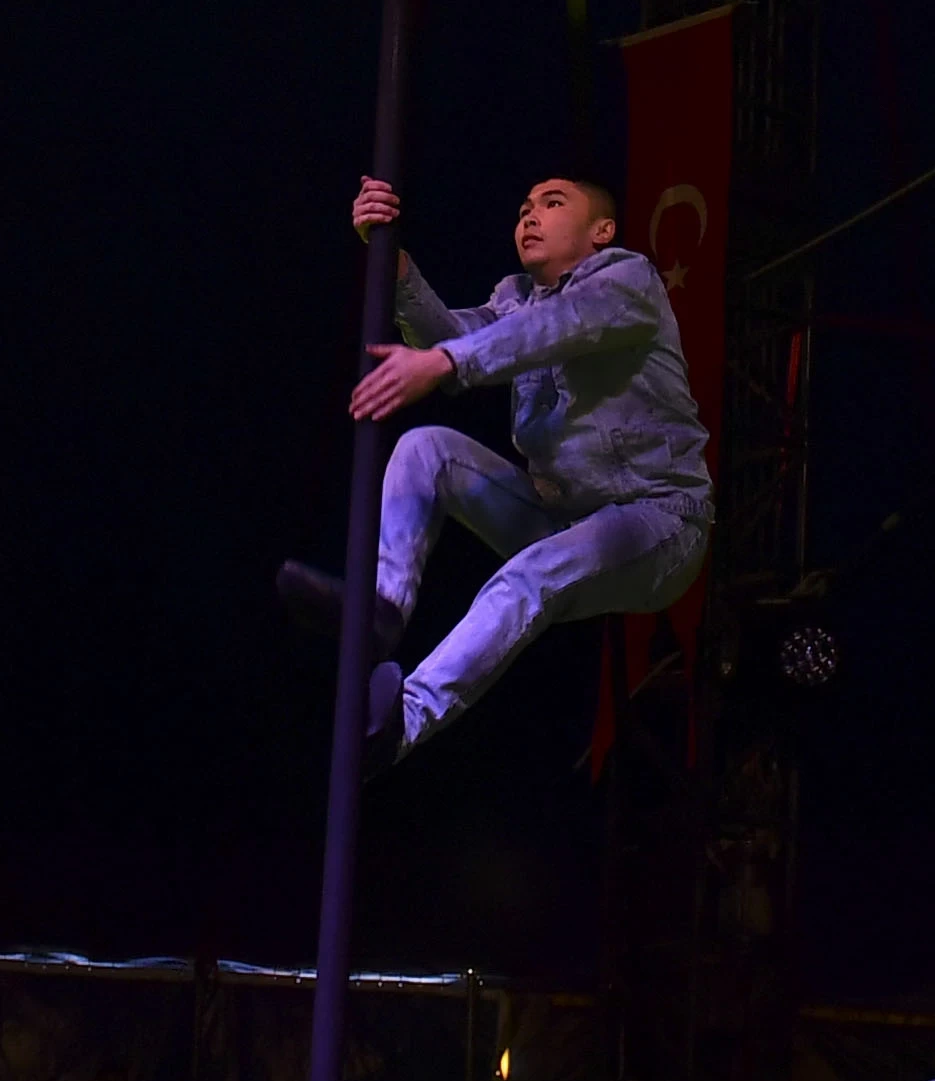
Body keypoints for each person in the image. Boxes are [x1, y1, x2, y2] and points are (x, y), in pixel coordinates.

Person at [281, 171, 714, 760]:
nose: (529, 216)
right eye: (524, 207)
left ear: (601, 231)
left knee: (530, 576)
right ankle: (383, 609)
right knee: (426, 447)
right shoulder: (516, 297)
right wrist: (393, 258)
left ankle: (399, 725)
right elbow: (451, 333)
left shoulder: (628, 279)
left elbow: (556, 329)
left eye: (552, 204)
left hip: (659, 523)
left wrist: (443, 362)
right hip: (560, 515)